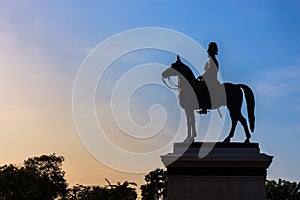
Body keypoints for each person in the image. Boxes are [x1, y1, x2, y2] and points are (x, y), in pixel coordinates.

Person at [197, 42, 221, 115]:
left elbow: (210, 71)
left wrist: (202, 76)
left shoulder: (213, 61)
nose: (208, 53)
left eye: (210, 51)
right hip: (208, 79)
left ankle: (204, 107)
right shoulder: (210, 61)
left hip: (212, 80)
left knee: (201, 87)